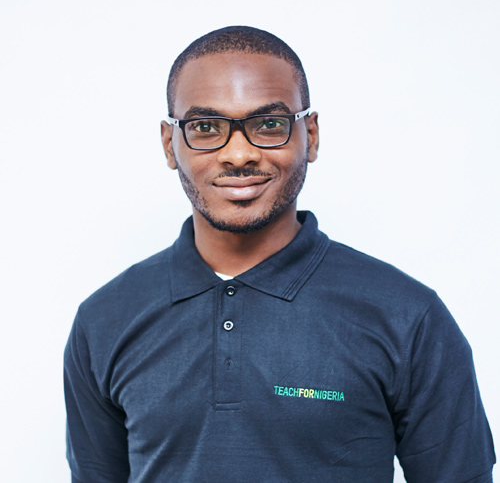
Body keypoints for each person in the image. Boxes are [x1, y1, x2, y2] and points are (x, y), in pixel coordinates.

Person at [64, 26, 495, 483]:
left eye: (268, 124)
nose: (238, 154)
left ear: (310, 134)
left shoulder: (408, 316)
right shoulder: (104, 320)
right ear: (170, 144)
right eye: (205, 128)